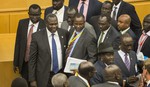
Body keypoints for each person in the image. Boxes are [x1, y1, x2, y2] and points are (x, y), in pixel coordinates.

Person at [28, 14, 69, 87]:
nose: (54, 26)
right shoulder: (37, 36)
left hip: (61, 75)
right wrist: (32, 79)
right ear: (46, 24)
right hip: (45, 76)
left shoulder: (64, 33)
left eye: (56, 24)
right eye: (51, 24)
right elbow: (32, 59)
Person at [13, 4, 45, 82]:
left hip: (37, 63)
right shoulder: (22, 23)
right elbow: (18, 43)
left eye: (37, 15)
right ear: (28, 13)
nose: (34, 17)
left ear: (41, 14)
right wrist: (15, 62)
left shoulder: (45, 25)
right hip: (24, 62)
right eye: (32, 15)